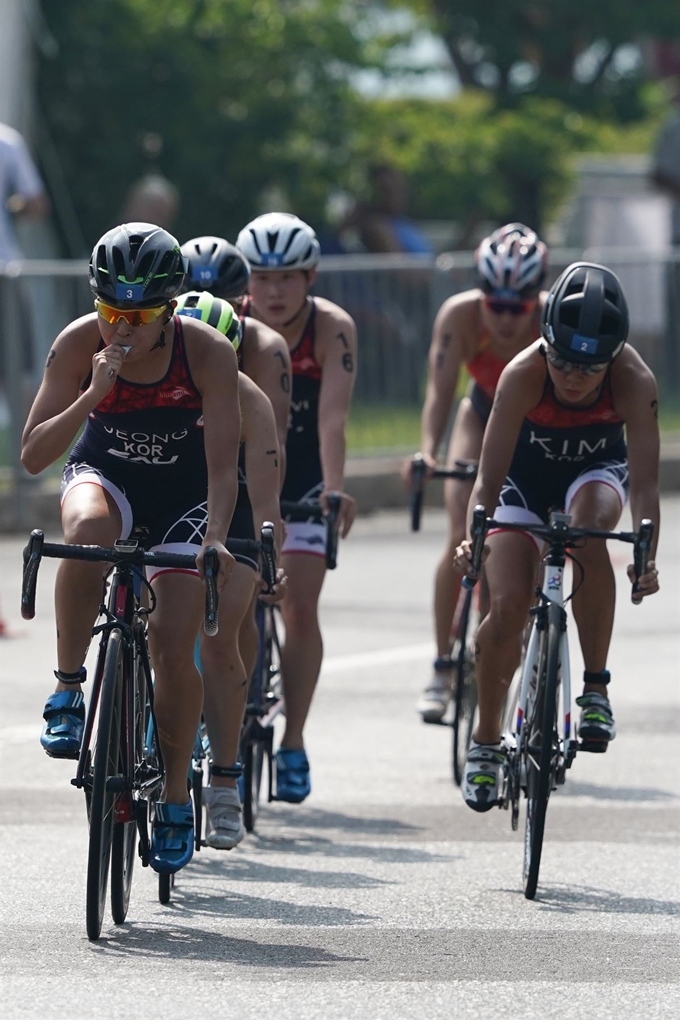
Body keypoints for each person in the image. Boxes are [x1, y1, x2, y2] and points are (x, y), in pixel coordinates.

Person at [21, 222, 241, 874]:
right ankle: (67, 687)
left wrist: (218, 542)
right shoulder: (78, 343)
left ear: (168, 310)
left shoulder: (204, 352)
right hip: (106, 478)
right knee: (86, 531)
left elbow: (225, 468)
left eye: (138, 316)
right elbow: (33, 455)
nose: (122, 328)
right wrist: (93, 393)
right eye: (111, 311)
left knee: (175, 644)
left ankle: (175, 793)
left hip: (183, 498)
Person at [454, 262, 660, 811]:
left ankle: (594, 687)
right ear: (545, 343)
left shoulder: (634, 381)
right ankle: (486, 741)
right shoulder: (522, 374)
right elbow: (488, 476)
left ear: (612, 357)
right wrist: (477, 529)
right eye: (564, 360)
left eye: (590, 367)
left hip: (596, 473)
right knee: (508, 608)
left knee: (592, 530)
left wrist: (647, 556)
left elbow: (644, 484)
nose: (573, 376)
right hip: (522, 481)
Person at [236, 211, 357, 803]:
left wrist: (333, 490)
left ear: (310, 277)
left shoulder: (332, 327)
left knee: (299, 606)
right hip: (245, 473)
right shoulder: (229, 323)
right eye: (262, 277)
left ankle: (294, 740)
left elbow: (332, 416)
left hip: (305, 478)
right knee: (234, 606)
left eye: (287, 277)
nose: (274, 291)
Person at [406, 223, 548, 722]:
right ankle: (444, 665)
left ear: (537, 299)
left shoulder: (553, 318)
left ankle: (525, 648)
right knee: (462, 528)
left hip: (537, 428)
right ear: (481, 295)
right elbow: (440, 392)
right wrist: (427, 452)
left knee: (537, 542)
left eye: (519, 307)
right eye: (497, 304)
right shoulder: (461, 315)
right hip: (482, 412)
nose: (507, 318)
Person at [175, 290, 285, 849]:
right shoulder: (156, 388)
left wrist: (270, 562)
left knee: (219, 632)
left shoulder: (250, 401)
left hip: (233, 513)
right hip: (170, 505)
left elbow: (266, 506)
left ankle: (223, 779)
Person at [180, 235, 291, 681]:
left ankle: (235, 706)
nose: (208, 309)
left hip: (244, 468)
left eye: (223, 300)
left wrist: (269, 557)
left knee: (229, 614)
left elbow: (269, 447)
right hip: (182, 473)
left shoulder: (263, 346)